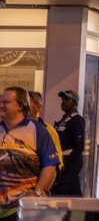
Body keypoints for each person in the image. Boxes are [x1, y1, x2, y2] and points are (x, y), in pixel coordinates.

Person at [1, 86, 59, 218]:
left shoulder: (37, 130)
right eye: (0, 101)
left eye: (6, 102)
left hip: (23, 209)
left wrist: (38, 193)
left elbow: (50, 165)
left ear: (20, 106)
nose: (1, 105)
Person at [51, 90, 86, 196]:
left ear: (74, 102)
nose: (63, 101)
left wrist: (69, 163)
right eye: (62, 99)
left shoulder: (76, 120)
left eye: (66, 99)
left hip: (69, 165)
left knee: (71, 192)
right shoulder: (63, 120)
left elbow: (79, 146)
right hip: (61, 164)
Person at [27, 92, 63, 172]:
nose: (23, 107)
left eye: (28, 104)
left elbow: (57, 160)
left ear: (38, 107)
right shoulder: (13, 128)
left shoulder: (49, 130)